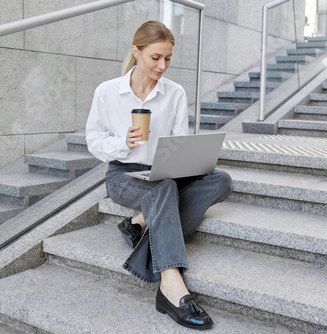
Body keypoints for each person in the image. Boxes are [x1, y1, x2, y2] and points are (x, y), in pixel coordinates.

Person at [85, 20, 233, 330]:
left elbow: (178, 142)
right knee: (164, 188)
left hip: (163, 173)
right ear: (136, 52)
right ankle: (170, 284)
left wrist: (185, 162)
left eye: (167, 58)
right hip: (123, 174)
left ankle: (139, 222)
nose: (162, 65)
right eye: (156, 58)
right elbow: (94, 140)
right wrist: (121, 143)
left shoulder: (174, 93)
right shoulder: (108, 92)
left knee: (221, 180)